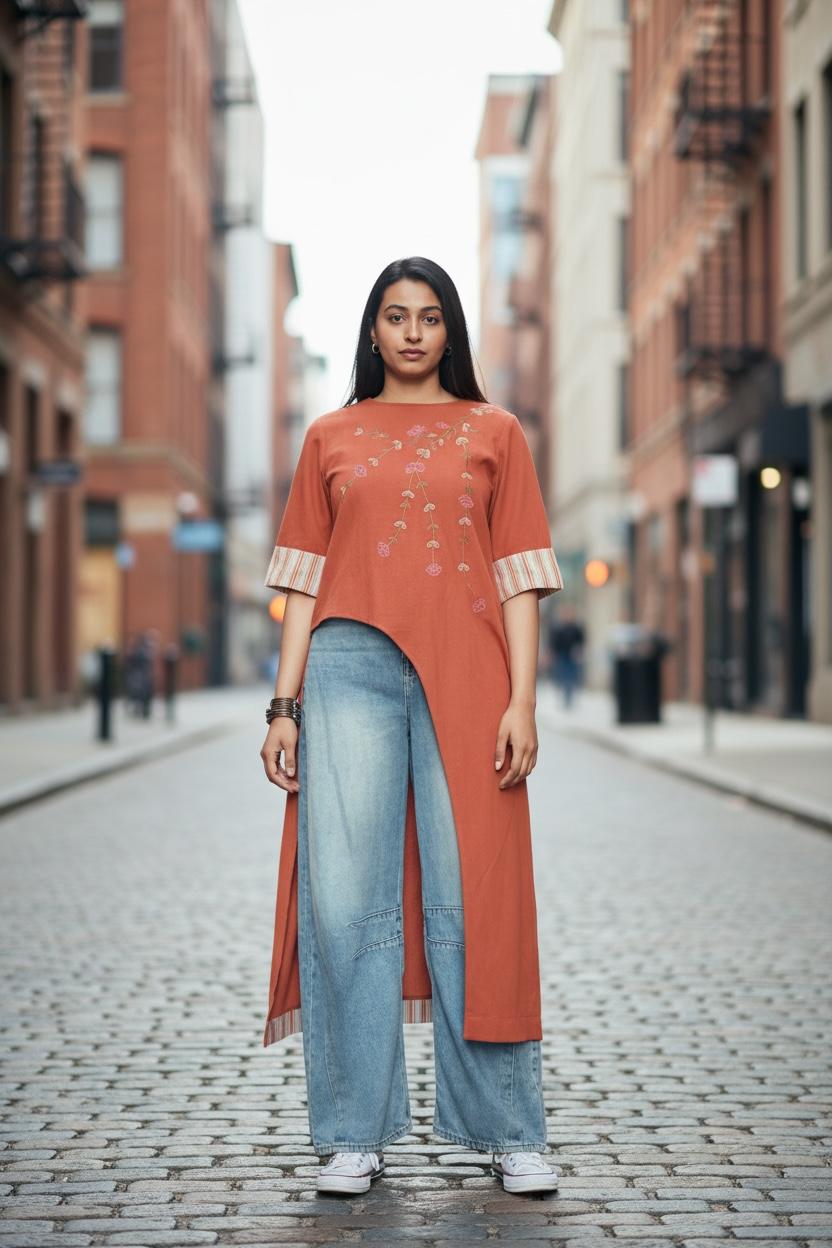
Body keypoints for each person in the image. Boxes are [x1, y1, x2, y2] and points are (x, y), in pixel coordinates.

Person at [259, 257, 564, 1197]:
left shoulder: (497, 432)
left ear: (450, 329)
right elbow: (303, 584)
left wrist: (523, 697)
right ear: (374, 330)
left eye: (430, 316)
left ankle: (510, 1129)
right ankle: (354, 1132)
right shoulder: (329, 436)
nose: (413, 332)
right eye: (396, 316)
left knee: (478, 891)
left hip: (472, 672)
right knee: (346, 897)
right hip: (348, 666)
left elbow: (519, 575)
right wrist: (284, 703)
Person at [548, 604, 585, 709]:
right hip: (562, 655)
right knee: (563, 677)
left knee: (572, 677)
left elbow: (581, 641)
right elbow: (554, 642)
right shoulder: (559, 628)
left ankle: (570, 697)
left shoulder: (576, 628)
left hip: (572, 656)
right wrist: (552, 654)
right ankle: (565, 697)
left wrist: (579, 651)